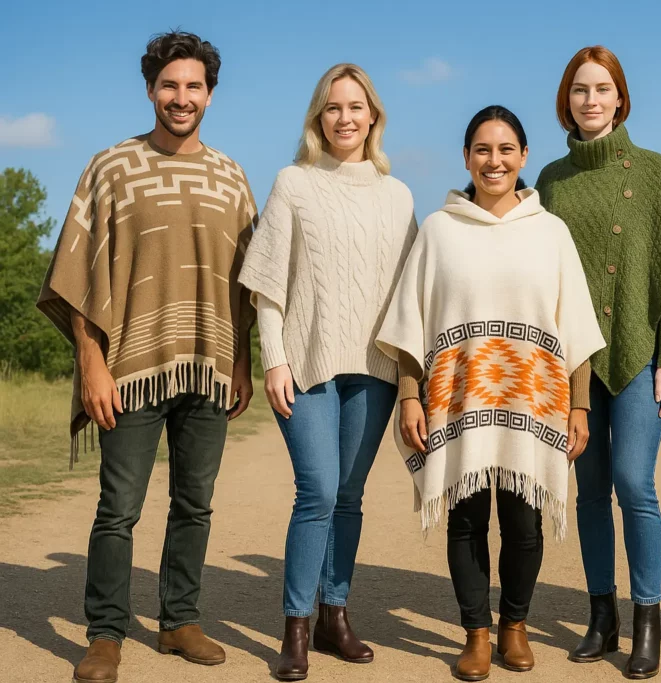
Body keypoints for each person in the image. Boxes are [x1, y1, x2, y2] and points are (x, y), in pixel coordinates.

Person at [37, 31, 258, 683]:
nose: (181, 97)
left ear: (210, 96)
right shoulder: (112, 167)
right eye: (169, 85)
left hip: (209, 362)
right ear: (150, 90)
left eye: (193, 86)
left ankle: (179, 620)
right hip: (129, 366)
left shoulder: (231, 176)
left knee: (195, 503)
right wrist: (91, 361)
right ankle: (105, 633)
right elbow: (80, 268)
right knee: (119, 507)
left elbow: (244, 284)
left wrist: (241, 361)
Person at [376, 105, 605, 681]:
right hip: (460, 400)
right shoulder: (439, 230)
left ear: (524, 157)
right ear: (466, 158)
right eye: (482, 149)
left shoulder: (550, 232)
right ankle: (476, 633)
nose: (494, 161)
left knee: (525, 523)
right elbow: (411, 322)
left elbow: (575, 326)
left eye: (506, 150)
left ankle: (514, 627)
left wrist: (579, 404)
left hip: (535, 400)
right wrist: (409, 396)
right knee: (466, 519)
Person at [535, 46, 661, 679]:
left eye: (602, 89)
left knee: (635, 484)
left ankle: (647, 621)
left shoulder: (655, 171)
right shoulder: (550, 181)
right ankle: (601, 617)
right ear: (567, 100)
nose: (591, 100)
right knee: (589, 491)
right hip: (572, 365)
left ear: (620, 98)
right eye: (580, 90)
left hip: (640, 356)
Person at [238, 63, 417, 681]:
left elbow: (410, 293)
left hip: (376, 368)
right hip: (306, 363)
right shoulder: (294, 183)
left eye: (356, 106)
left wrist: (415, 381)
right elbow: (268, 284)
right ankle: (295, 627)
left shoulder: (398, 196)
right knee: (316, 490)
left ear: (373, 116)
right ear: (319, 117)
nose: (345, 117)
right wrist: (273, 358)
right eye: (333, 107)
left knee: (349, 495)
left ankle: (334, 615)